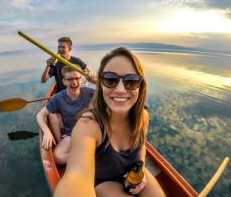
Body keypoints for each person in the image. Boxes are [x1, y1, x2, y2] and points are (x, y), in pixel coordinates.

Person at [54, 47, 166, 197]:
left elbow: (142, 146)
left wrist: (140, 169)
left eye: (131, 81)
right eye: (110, 80)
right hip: (103, 182)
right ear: (101, 84)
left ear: (140, 86)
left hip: (132, 174)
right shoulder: (88, 125)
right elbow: (76, 177)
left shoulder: (142, 117)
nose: (120, 89)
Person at [36, 65, 95, 165]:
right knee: (58, 156)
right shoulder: (58, 97)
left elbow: (109, 93)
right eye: (70, 79)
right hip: (71, 135)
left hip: (92, 134)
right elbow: (40, 115)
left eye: (77, 78)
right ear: (64, 81)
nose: (74, 82)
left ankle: (83, 154)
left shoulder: (89, 92)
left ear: (81, 79)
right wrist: (46, 131)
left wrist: (96, 81)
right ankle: (88, 154)